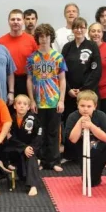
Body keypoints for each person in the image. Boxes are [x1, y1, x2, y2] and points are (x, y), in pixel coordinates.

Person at [67, 90, 106, 193]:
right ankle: (96, 176)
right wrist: (80, 122)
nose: (85, 109)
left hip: (104, 148)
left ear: (95, 106)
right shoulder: (73, 117)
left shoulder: (101, 116)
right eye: (82, 106)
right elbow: (73, 139)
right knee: (90, 182)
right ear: (77, 105)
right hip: (88, 154)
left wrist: (91, 126)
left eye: (89, 106)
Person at [27, 24, 67, 171]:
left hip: (54, 101)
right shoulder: (32, 58)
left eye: (46, 36)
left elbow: (62, 79)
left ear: (51, 37)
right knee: (39, 133)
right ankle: (43, 161)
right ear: (37, 38)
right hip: (38, 102)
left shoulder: (58, 57)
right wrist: (31, 100)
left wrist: (61, 100)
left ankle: (55, 161)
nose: (43, 39)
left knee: (54, 133)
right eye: (41, 36)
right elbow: (29, 79)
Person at [62, 17, 101, 161]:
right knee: (70, 122)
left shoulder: (92, 46)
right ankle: (70, 154)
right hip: (70, 93)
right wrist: (69, 89)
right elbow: (62, 71)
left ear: (86, 29)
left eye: (82, 27)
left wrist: (84, 90)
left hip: (87, 94)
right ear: (72, 29)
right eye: (76, 27)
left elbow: (96, 70)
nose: (79, 30)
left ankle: (94, 153)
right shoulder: (67, 47)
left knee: (91, 122)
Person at [3, 94, 42, 196]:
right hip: (15, 148)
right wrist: (23, 147)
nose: (21, 106)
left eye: (25, 104)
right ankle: (9, 166)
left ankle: (33, 186)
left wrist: (30, 148)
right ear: (14, 106)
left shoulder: (33, 119)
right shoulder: (10, 119)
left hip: (29, 147)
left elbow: (38, 137)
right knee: (3, 149)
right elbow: (9, 137)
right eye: (19, 103)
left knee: (31, 154)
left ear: (28, 107)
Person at [0, 9, 38, 96]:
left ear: (23, 21)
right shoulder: (0, 42)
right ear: (8, 21)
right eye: (12, 19)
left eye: (18, 19)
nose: (15, 22)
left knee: (26, 109)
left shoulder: (32, 40)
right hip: (7, 80)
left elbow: (38, 62)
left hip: (27, 80)